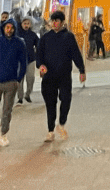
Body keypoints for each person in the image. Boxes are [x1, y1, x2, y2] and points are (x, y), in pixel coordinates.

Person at [36, 10, 86, 142]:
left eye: (57, 21)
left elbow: (76, 54)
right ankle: (50, 130)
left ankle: (61, 123)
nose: (54, 23)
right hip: (49, 77)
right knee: (50, 104)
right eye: (52, 21)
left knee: (66, 99)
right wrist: (40, 65)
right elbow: (39, 55)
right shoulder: (45, 38)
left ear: (62, 22)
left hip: (64, 75)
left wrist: (81, 70)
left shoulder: (69, 37)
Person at [0, 17, 27, 147]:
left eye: (12, 28)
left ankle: (3, 134)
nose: (9, 30)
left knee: (7, 110)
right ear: (3, 28)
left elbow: (23, 63)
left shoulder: (19, 43)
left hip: (11, 82)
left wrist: (18, 79)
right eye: (7, 27)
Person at [16, 16, 39, 103]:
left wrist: (37, 55)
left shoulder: (33, 35)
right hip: (19, 61)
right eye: (24, 23)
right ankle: (20, 97)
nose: (26, 25)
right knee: (19, 80)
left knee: (30, 78)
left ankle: (28, 94)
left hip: (31, 60)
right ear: (21, 24)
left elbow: (38, 45)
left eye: (28, 24)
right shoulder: (17, 35)